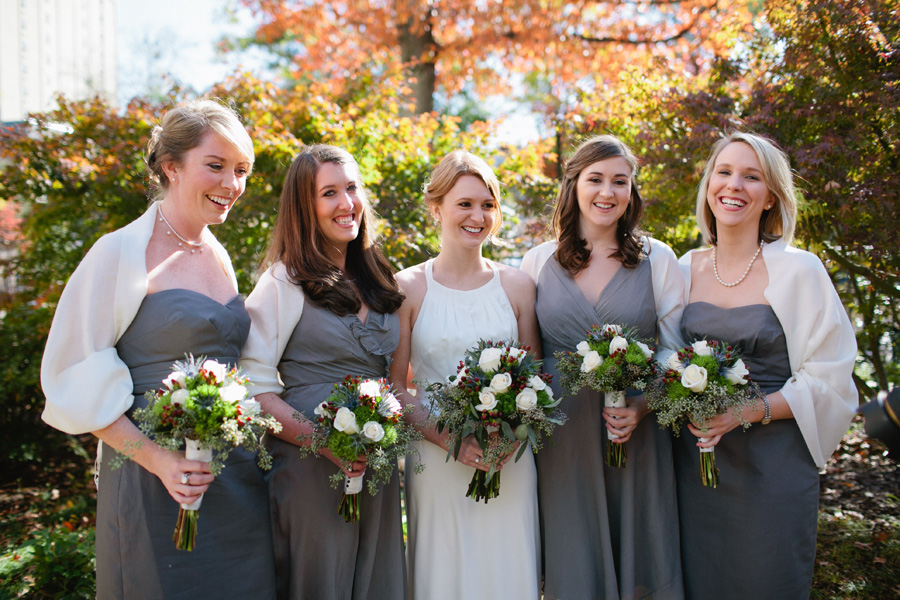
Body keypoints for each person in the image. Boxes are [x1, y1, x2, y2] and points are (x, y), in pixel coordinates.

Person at [40, 99, 276, 599]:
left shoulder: (219, 256)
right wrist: (158, 461)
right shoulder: (119, 252)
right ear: (171, 166)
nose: (231, 184)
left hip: (231, 478)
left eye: (241, 170)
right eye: (215, 166)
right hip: (154, 478)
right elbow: (73, 377)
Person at [676, 131, 857, 599]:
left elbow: (830, 377)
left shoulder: (800, 270)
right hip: (697, 464)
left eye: (751, 176)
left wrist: (742, 412)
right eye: (725, 172)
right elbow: (665, 352)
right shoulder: (683, 268)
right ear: (709, 184)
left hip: (772, 463)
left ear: (771, 196)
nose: (734, 185)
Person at [521, 135, 685, 600]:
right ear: (574, 185)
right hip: (563, 440)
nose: (607, 192)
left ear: (632, 192)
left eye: (620, 181)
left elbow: (674, 352)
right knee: (572, 557)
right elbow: (528, 357)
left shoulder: (659, 260)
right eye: (595, 179)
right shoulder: (537, 261)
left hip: (635, 435)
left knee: (640, 553)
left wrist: (644, 406)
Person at [240, 145, 407, 600]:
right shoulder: (283, 281)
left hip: (377, 461)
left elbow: (398, 382)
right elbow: (253, 390)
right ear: (304, 206)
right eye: (328, 193)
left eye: (351, 188)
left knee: (378, 580)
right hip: (310, 465)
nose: (346, 203)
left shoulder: (382, 281)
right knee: (318, 582)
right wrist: (323, 442)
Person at [391, 150, 542, 599]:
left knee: (507, 571)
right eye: (465, 204)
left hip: (508, 459)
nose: (478, 216)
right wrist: (448, 440)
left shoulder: (517, 286)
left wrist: (511, 436)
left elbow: (532, 378)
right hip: (436, 461)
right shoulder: (407, 288)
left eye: (488, 204)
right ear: (436, 208)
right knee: (443, 576)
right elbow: (396, 387)